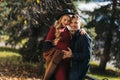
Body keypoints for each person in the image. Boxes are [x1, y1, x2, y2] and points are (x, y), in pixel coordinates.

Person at [43, 9, 74, 80]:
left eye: (68, 20)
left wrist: (82, 30)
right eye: (64, 19)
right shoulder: (54, 29)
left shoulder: (68, 31)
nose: (66, 22)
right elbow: (46, 46)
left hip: (67, 61)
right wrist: (53, 44)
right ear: (60, 19)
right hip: (58, 61)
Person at [63, 15, 92, 80]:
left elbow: (87, 55)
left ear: (80, 24)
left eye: (76, 22)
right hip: (71, 69)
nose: (73, 25)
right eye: (71, 22)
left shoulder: (84, 37)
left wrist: (72, 55)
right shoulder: (73, 35)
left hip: (78, 71)